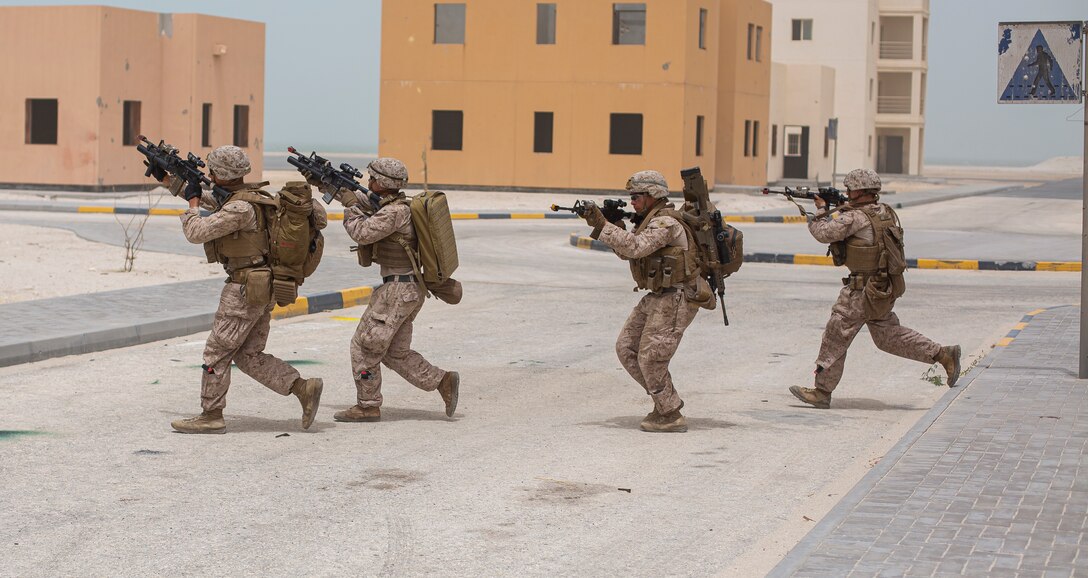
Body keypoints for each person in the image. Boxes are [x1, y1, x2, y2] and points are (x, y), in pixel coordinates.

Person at [155, 145, 327, 434]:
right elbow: (210, 196)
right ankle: (302, 388)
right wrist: (170, 181)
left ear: (221, 174)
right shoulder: (254, 197)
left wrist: (192, 205)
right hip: (261, 286)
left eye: (212, 171)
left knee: (216, 352)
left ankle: (211, 414)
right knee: (249, 355)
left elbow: (196, 232)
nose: (208, 174)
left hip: (243, 290)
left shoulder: (239, 208)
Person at [789, 168, 961, 409]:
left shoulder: (856, 217)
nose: (847, 193)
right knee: (887, 335)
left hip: (861, 290)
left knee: (836, 333)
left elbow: (823, 232)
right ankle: (943, 354)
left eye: (850, 189)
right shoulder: (883, 212)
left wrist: (819, 210)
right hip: (882, 286)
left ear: (860, 191)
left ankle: (822, 391)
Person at [308, 158, 459, 422]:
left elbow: (362, 232)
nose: (369, 182)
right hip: (407, 290)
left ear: (382, 183)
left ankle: (367, 406)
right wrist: (325, 182)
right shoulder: (396, 204)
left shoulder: (394, 213)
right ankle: (442, 381)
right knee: (395, 353)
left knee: (364, 347)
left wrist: (351, 206)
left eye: (372, 178)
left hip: (397, 293)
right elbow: (360, 198)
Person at [581, 170, 708, 433]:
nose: (633, 203)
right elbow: (627, 252)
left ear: (653, 195)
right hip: (658, 295)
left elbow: (635, 247)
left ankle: (670, 413)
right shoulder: (649, 221)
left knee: (651, 358)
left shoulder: (666, 224)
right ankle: (664, 402)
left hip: (676, 296)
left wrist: (603, 225)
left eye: (637, 197)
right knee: (626, 347)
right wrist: (613, 226)